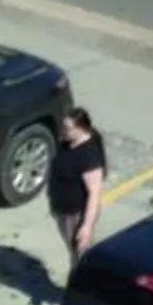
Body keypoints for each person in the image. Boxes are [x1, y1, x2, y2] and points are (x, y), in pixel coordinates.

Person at [47, 106, 107, 276]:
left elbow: (94, 194)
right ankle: (77, 278)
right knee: (73, 250)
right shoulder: (67, 144)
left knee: (81, 254)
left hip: (76, 215)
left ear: (81, 129)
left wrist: (86, 226)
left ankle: (81, 283)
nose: (63, 131)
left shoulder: (89, 156)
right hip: (62, 209)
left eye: (67, 128)